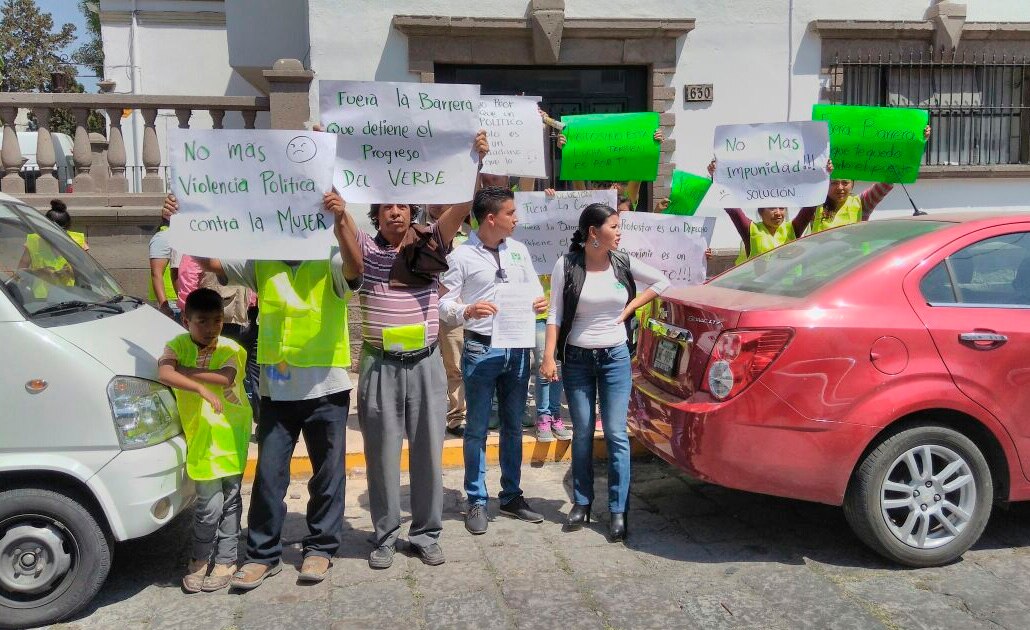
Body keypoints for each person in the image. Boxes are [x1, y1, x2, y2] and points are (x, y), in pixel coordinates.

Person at [162, 192, 353, 590]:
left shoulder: (332, 257)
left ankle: (320, 549)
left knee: (327, 476)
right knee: (268, 475)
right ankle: (264, 554)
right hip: (277, 389)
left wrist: (343, 220)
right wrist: (183, 225)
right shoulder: (262, 261)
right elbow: (212, 263)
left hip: (327, 388)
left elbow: (356, 267)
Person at [334, 130, 489, 568]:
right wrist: (324, 164)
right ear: (377, 215)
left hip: (425, 365)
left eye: (401, 205)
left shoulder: (431, 243)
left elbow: (460, 208)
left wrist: (474, 162)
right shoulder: (364, 250)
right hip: (379, 366)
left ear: (411, 209)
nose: (395, 212)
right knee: (381, 455)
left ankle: (426, 533)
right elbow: (342, 223)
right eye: (386, 207)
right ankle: (384, 535)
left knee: (428, 453)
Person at [540, 203, 670, 542]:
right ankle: (582, 503)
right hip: (577, 360)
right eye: (614, 226)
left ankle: (617, 510)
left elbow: (662, 280)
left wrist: (629, 309)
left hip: (615, 358)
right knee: (582, 432)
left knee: (614, 433)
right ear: (593, 232)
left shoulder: (622, 262)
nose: (619, 231)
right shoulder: (566, 264)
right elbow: (554, 313)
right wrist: (548, 357)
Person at [439, 186, 549, 535]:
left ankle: (512, 495)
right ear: (491, 218)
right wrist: (466, 310)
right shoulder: (461, 256)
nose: (517, 218)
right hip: (481, 348)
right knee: (477, 429)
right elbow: (443, 305)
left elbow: (535, 292)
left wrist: (539, 304)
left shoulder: (519, 250)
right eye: (511, 213)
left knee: (515, 426)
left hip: (516, 349)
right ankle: (476, 499)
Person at [156, 288, 252, 593]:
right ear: (186, 320)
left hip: (229, 435)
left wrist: (186, 373)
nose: (211, 328)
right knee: (209, 505)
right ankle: (200, 558)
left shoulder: (230, 348)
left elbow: (225, 378)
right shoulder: (177, 345)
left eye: (217, 321)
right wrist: (199, 389)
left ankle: (226, 559)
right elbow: (164, 372)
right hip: (201, 437)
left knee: (231, 498)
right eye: (202, 321)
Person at [808, 125, 931, 234]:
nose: (840, 187)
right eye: (833, 183)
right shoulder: (813, 204)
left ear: (853, 184)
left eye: (845, 183)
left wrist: (919, 141)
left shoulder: (862, 203)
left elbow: (890, 177)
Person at [421, 204, 471, 438]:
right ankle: (421, 415)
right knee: (422, 366)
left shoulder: (468, 234)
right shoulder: (415, 228)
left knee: (455, 365)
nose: (436, 202)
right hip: (420, 306)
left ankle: (456, 416)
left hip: (452, 308)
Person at [20, 200, 89, 297]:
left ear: (67, 228)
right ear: (44, 226)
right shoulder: (34, 241)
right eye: (52, 231)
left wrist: (71, 270)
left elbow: (88, 272)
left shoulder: (77, 241)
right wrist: (39, 271)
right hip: (41, 299)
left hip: (71, 295)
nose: (56, 234)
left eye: (60, 231)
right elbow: (20, 271)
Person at [149, 218, 180, 320]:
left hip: (185, 299)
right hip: (171, 301)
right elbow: (156, 274)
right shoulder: (163, 237)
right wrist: (164, 305)